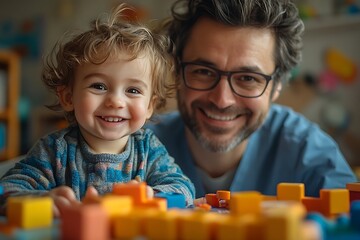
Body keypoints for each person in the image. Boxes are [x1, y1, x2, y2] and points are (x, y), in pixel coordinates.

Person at [147, 0, 357, 199]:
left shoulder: (308, 151)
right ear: (176, 72)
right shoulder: (132, 146)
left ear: (277, 86)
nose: (222, 100)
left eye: (248, 78)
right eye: (203, 72)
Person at [0, 3, 195, 216]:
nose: (116, 101)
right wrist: (43, 200)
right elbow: (7, 191)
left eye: (132, 90)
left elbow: (183, 188)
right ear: (68, 97)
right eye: (99, 86)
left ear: (149, 106)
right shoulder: (55, 151)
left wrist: (152, 196)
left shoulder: (148, 149)